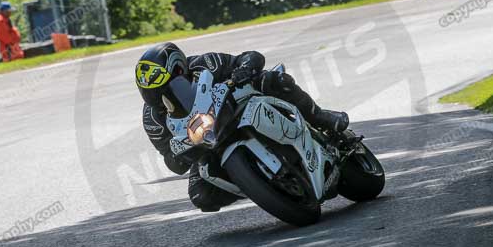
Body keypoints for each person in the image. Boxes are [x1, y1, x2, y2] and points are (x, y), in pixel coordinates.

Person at [135, 42, 349, 212]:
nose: (155, 96)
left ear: (179, 68)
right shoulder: (152, 118)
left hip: (235, 106)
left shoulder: (205, 63)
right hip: (206, 143)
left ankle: (321, 118)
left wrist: (245, 69)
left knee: (274, 79)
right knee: (202, 197)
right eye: (149, 91)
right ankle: (258, 185)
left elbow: (251, 57)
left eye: (163, 87)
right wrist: (183, 153)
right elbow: (171, 160)